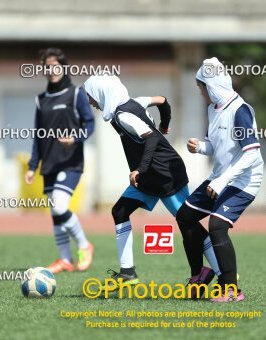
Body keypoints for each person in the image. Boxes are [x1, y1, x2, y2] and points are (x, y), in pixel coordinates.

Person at [83, 74, 221, 289]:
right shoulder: (135, 102)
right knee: (120, 211)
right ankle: (127, 272)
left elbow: (152, 137)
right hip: (149, 177)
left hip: (165, 174)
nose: (91, 102)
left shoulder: (122, 116)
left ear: (102, 93)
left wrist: (140, 168)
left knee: (188, 222)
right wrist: (165, 124)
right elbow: (162, 100)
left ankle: (224, 273)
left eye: (91, 96)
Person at [176, 57, 264, 302]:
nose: (200, 91)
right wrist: (201, 147)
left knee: (217, 226)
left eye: (201, 86)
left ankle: (232, 289)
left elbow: (252, 154)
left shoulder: (240, 110)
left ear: (211, 85)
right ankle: (199, 275)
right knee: (185, 217)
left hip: (244, 180)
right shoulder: (212, 108)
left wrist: (221, 181)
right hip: (220, 178)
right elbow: (216, 145)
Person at [25, 47, 95, 274]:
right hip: (50, 164)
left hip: (70, 161)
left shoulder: (76, 95)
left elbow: (90, 123)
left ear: (63, 67)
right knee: (55, 213)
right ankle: (65, 259)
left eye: (55, 66)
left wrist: (76, 138)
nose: (52, 71)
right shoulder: (41, 100)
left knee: (59, 205)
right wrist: (32, 166)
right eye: (47, 67)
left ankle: (84, 245)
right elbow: (38, 135)